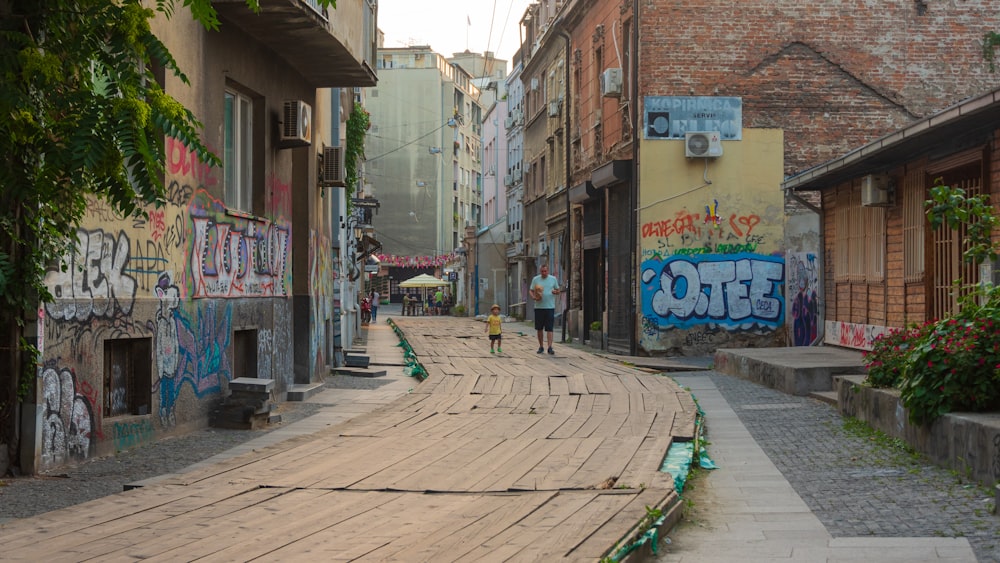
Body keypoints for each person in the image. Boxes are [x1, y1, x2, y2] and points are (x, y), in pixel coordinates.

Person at [529, 263, 560, 355]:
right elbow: (531, 290)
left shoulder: (553, 279)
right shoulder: (536, 279)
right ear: (540, 271)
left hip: (550, 307)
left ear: (548, 271)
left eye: (545, 271)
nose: (544, 273)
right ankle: (541, 346)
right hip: (539, 307)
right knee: (539, 328)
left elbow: (558, 290)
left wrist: (555, 292)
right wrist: (533, 297)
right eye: (542, 271)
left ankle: (550, 347)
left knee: (549, 328)